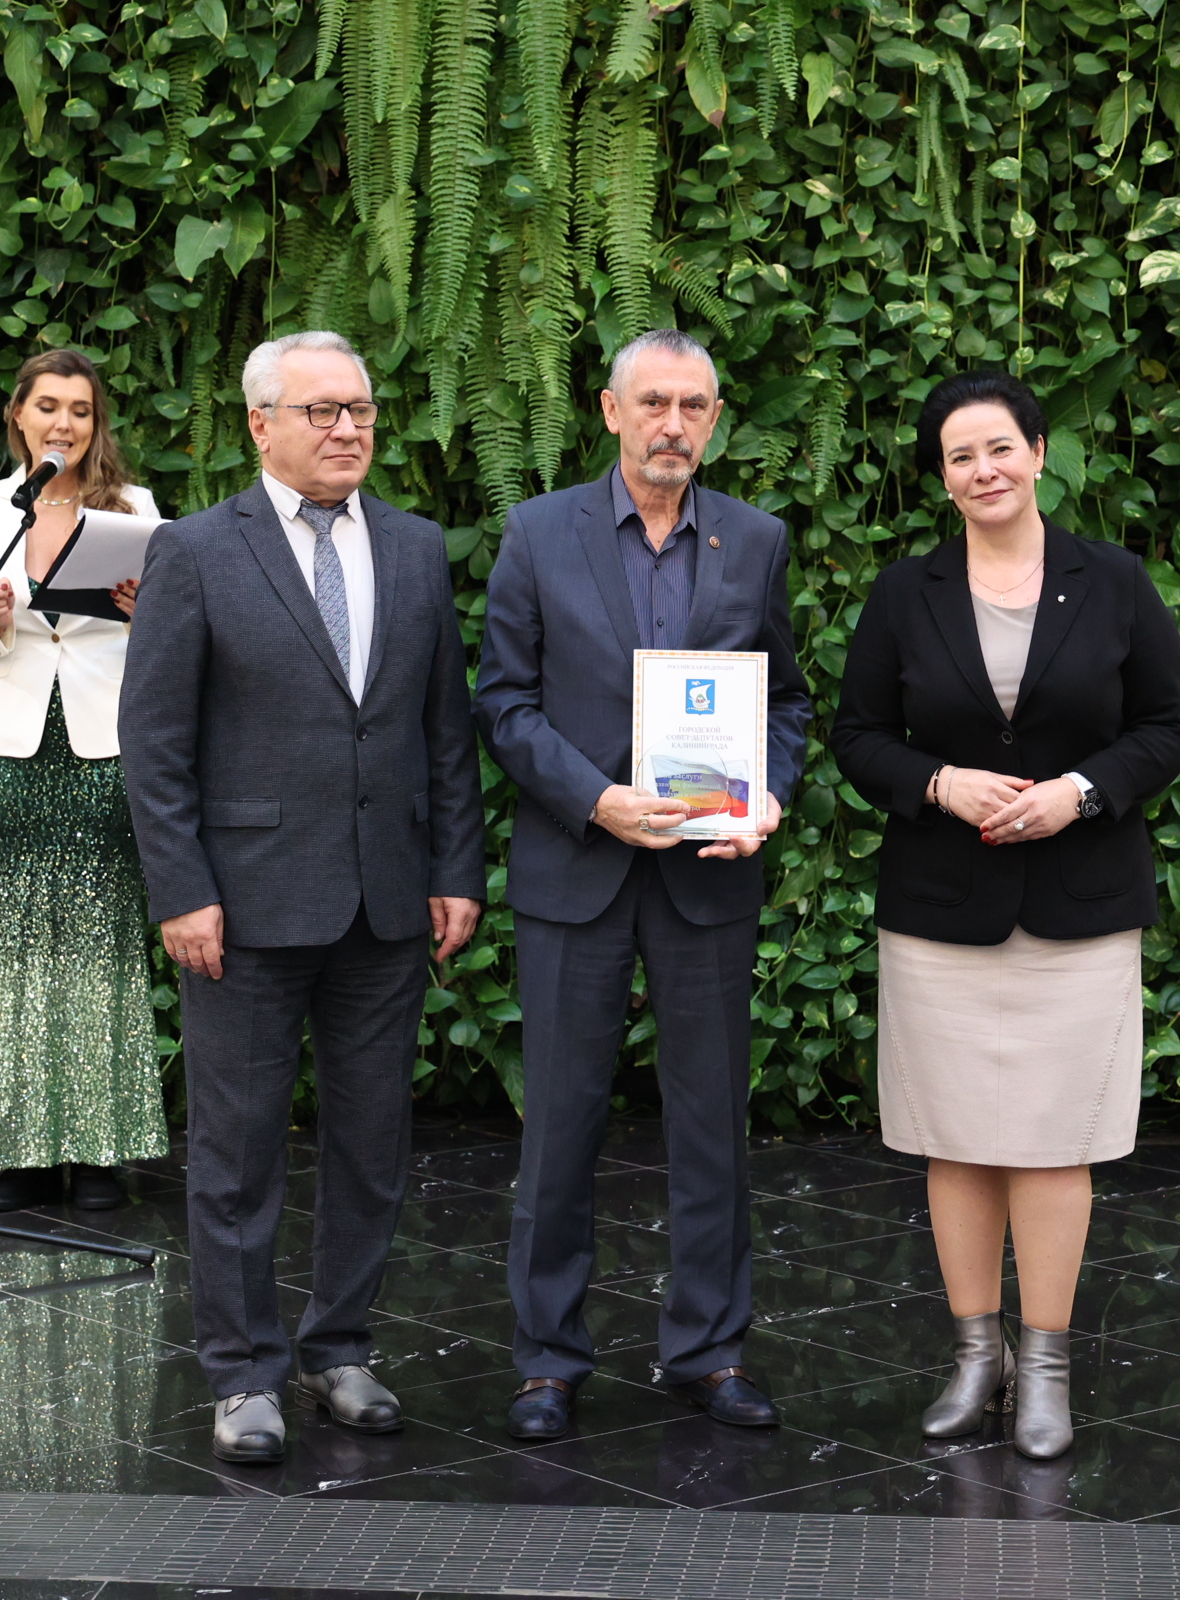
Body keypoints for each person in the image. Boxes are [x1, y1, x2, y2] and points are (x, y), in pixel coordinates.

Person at [119, 329, 487, 1465]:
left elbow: (442, 727)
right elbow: (155, 741)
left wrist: (454, 869)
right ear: (260, 425)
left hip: (387, 902)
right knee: (236, 1153)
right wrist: (182, 890)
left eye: (360, 410)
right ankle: (242, 1373)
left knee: (372, 1142)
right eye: (322, 411)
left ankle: (342, 1348)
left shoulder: (415, 547)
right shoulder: (194, 550)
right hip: (242, 906)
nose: (346, 429)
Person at [830, 371, 1180, 1458]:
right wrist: (938, 782)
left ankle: (1045, 1367)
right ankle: (973, 1356)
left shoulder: (1113, 580)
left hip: (1079, 914)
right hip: (941, 916)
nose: (983, 470)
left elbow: (1168, 725)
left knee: (1050, 1147)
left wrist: (1081, 792)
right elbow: (857, 735)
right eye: (960, 456)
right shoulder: (905, 593)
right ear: (942, 479)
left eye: (999, 447)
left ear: (1038, 453)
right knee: (954, 1145)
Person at [473, 328, 812, 1442]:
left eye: (694, 406)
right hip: (578, 865)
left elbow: (785, 701)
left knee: (711, 1123)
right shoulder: (538, 532)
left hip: (707, 874)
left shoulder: (754, 538)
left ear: (715, 419)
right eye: (653, 402)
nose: (674, 424)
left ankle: (710, 1351)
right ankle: (547, 1361)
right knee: (559, 1123)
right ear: (611, 411)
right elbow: (504, 704)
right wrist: (596, 799)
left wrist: (767, 796)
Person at [0, 347, 166, 1213]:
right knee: (14, 945)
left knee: (102, 942)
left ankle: (100, 1152)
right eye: (49, 407)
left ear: (97, 425)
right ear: (18, 417)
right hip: (10, 749)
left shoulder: (135, 508)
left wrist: (148, 614)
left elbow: (173, 642)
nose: (65, 422)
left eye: (81, 410)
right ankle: (18, 1154)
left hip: (104, 744)